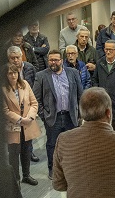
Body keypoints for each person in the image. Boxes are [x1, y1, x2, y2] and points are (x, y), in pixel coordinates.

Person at [32, 50, 83, 180]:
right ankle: (52, 169)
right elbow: (35, 98)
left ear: (61, 60)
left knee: (72, 144)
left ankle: (72, 169)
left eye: (56, 60)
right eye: (50, 60)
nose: (53, 62)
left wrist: (80, 113)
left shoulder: (73, 73)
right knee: (52, 144)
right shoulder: (41, 76)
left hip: (70, 116)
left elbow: (80, 95)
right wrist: (44, 115)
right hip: (53, 117)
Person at [2, 63, 41, 186]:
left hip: (27, 124)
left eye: (15, 72)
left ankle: (26, 175)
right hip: (13, 126)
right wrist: (20, 119)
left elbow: (34, 103)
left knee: (27, 151)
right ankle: (16, 179)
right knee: (14, 154)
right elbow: (4, 110)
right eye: (10, 73)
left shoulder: (25, 84)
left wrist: (30, 117)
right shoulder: (2, 89)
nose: (13, 75)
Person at [7, 46, 40, 162]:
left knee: (27, 142)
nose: (16, 60)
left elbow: (34, 87)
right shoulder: (4, 72)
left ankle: (29, 157)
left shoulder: (30, 67)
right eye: (13, 58)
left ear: (22, 57)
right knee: (14, 150)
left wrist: (31, 114)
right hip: (13, 116)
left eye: (18, 57)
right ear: (8, 59)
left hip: (27, 108)